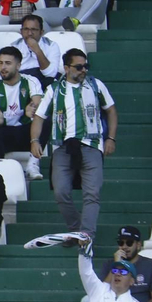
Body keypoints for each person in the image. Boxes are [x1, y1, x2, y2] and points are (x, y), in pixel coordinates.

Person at [29, 50, 116, 241]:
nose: (84, 70)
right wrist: (35, 140)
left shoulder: (96, 85)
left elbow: (110, 110)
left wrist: (110, 138)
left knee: (92, 193)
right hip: (63, 146)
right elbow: (39, 117)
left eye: (86, 66)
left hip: (91, 144)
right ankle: (76, 229)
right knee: (60, 191)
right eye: (79, 67)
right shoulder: (54, 89)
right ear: (67, 68)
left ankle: (87, 234)